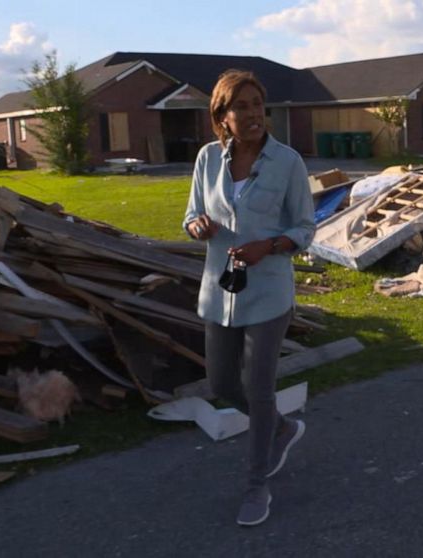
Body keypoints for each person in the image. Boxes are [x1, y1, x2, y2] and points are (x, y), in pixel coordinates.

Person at [183, 70, 315, 527]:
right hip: (220, 291)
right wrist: (197, 226)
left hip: (269, 292)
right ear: (222, 115)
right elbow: (191, 214)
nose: (254, 113)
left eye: (258, 104)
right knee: (222, 384)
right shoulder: (206, 159)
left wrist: (271, 245)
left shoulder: (288, 162)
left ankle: (257, 484)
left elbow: (305, 227)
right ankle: (280, 428)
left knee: (259, 389)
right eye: (242, 106)